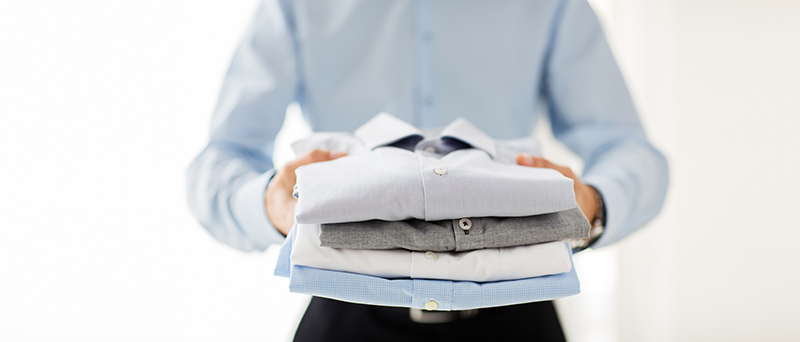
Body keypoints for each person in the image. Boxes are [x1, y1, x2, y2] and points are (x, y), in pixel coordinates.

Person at [187, 0, 669, 340]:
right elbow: (219, 160)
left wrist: (592, 206)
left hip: (516, 317)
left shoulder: (552, 4)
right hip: (346, 317)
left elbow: (633, 153)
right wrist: (270, 203)